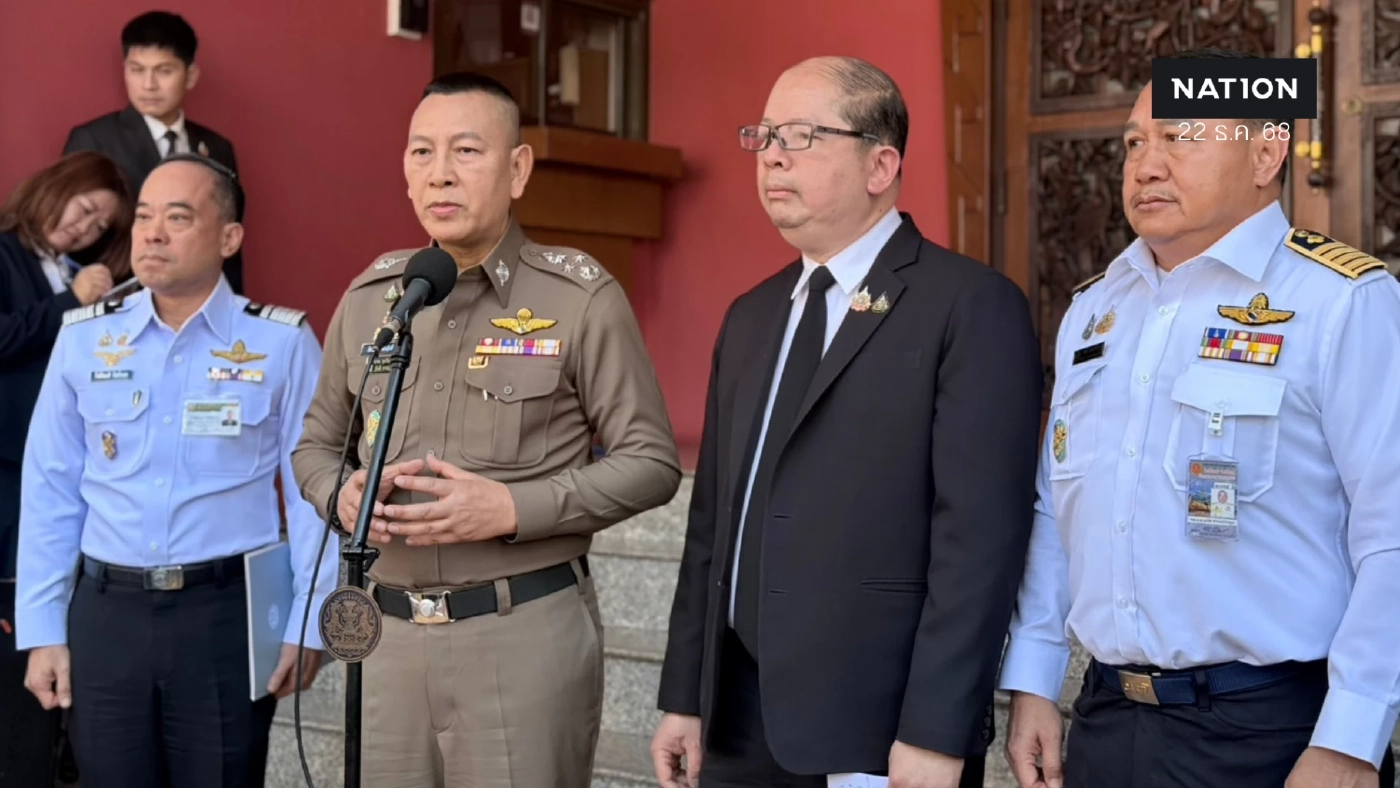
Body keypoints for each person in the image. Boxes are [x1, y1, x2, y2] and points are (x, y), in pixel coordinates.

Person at [999, 47, 1400, 788]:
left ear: (1266, 154)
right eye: (1133, 143)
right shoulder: (1094, 310)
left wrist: (1352, 737)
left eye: (1179, 136)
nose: (1146, 165)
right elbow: (1059, 509)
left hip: (1270, 732)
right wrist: (1033, 679)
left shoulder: (1342, 301)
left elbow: (1392, 531)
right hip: (1107, 719)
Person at [651, 56, 1043, 788]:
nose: (772, 155)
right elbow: (712, 525)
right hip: (737, 714)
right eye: (764, 136)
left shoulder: (967, 306)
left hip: (876, 723)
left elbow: (979, 543)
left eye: (801, 136)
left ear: (880, 165)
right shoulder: (752, 316)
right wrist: (685, 694)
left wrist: (936, 729)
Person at [290, 71, 681, 788]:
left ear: (518, 169)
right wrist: (338, 493)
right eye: (421, 152)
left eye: (466, 151)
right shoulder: (375, 297)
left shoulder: (578, 297)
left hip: (519, 634)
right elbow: (317, 442)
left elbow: (652, 462)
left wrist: (510, 508)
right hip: (387, 640)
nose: (439, 173)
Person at [15, 153, 335, 787]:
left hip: (223, 619)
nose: (153, 234)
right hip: (107, 617)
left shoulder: (281, 342)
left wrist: (309, 618)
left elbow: (312, 494)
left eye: (178, 218)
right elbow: (50, 490)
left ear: (229, 238)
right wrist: (43, 627)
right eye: (144, 217)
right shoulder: (83, 338)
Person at [0, 151, 132, 788]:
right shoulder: (6, 254)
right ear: (55, 189)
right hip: (7, 473)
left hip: (60, 475)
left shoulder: (72, 268)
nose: (84, 229)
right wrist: (67, 305)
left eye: (98, 225)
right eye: (84, 210)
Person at [63, 10, 243, 294]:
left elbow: (226, 239)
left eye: (164, 71)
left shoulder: (218, 148)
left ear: (191, 75)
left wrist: (232, 304)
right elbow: (70, 234)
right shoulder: (94, 139)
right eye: (137, 70)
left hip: (198, 300)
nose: (148, 85)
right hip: (119, 299)